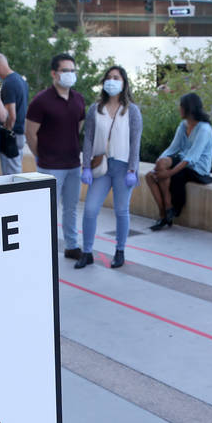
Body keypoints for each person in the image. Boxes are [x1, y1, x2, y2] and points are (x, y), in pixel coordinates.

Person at [77, 66, 142, 270]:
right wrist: (86, 166)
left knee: (121, 211)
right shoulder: (95, 109)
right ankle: (87, 252)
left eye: (116, 78)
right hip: (101, 165)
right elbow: (87, 138)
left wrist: (133, 169)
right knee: (90, 209)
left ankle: (120, 250)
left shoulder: (131, 110)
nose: (112, 81)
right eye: (109, 78)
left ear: (124, 83)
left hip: (123, 167)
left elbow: (135, 142)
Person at [26, 53, 87, 259]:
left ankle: (71, 246)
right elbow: (30, 133)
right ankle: (43, 249)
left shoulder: (79, 99)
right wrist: (41, 155)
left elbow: (78, 126)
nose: (70, 74)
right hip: (49, 166)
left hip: (72, 164)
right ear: (54, 73)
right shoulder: (41, 101)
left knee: (70, 208)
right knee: (47, 211)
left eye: (72, 70)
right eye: (65, 70)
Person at [146, 93, 212, 231]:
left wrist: (168, 173)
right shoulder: (183, 126)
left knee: (166, 174)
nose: (179, 109)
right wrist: (159, 163)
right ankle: (165, 210)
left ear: (189, 108)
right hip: (183, 159)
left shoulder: (204, 129)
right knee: (150, 175)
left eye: (181, 106)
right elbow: (173, 148)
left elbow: (192, 158)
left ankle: (166, 213)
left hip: (198, 167)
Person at [0, 52, 29, 176]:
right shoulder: (20, 80)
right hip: (20, 133)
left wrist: (7, 132)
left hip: (13, 135)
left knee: (11, 175)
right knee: (16, 170)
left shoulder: (8, 84)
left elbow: (11, 115)